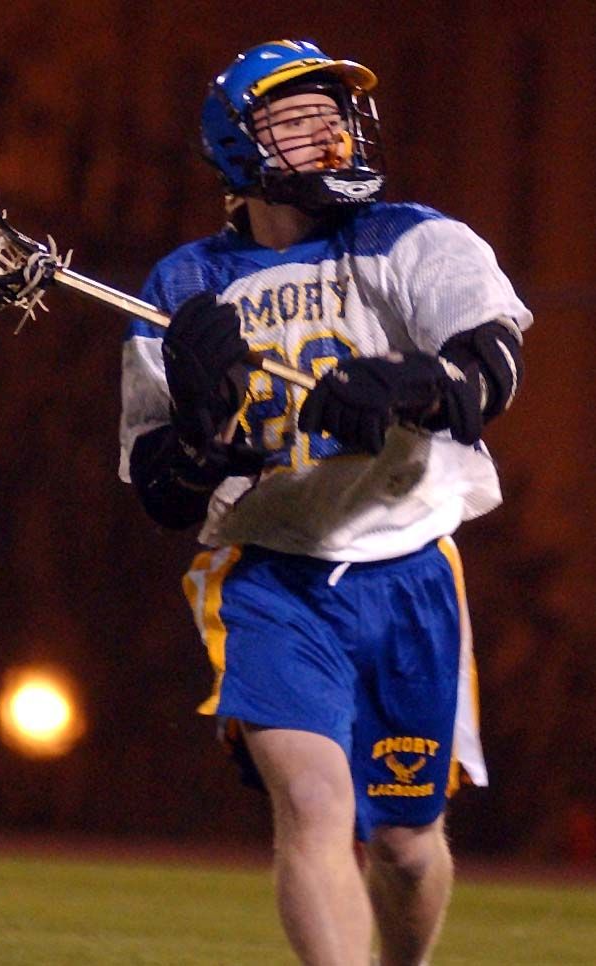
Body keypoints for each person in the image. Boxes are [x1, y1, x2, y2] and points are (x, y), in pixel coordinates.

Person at [119, 38, 531, 966]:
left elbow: (492, 366)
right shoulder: (182, 288)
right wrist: (202, 435)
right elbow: (161, 489)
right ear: (239, 146)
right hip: (272, 576)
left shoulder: (414, 239)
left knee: (406, 846)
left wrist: (412, 382)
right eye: (297, 120)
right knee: (314, 805)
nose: (330, 135)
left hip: (408, 564)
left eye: (333, 116)